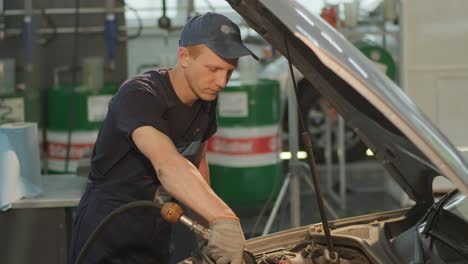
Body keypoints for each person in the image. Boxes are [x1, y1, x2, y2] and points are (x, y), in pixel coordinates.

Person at [68, 12, 258, 264]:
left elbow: (197, 163)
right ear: (184, 57)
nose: (221, 81)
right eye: (213, 69)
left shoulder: (205, 101)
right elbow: (167, 163)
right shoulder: (140, 95)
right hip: (109, 231)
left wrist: (207, 231)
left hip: (157, 226)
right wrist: (222, 218)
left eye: (229, 72)